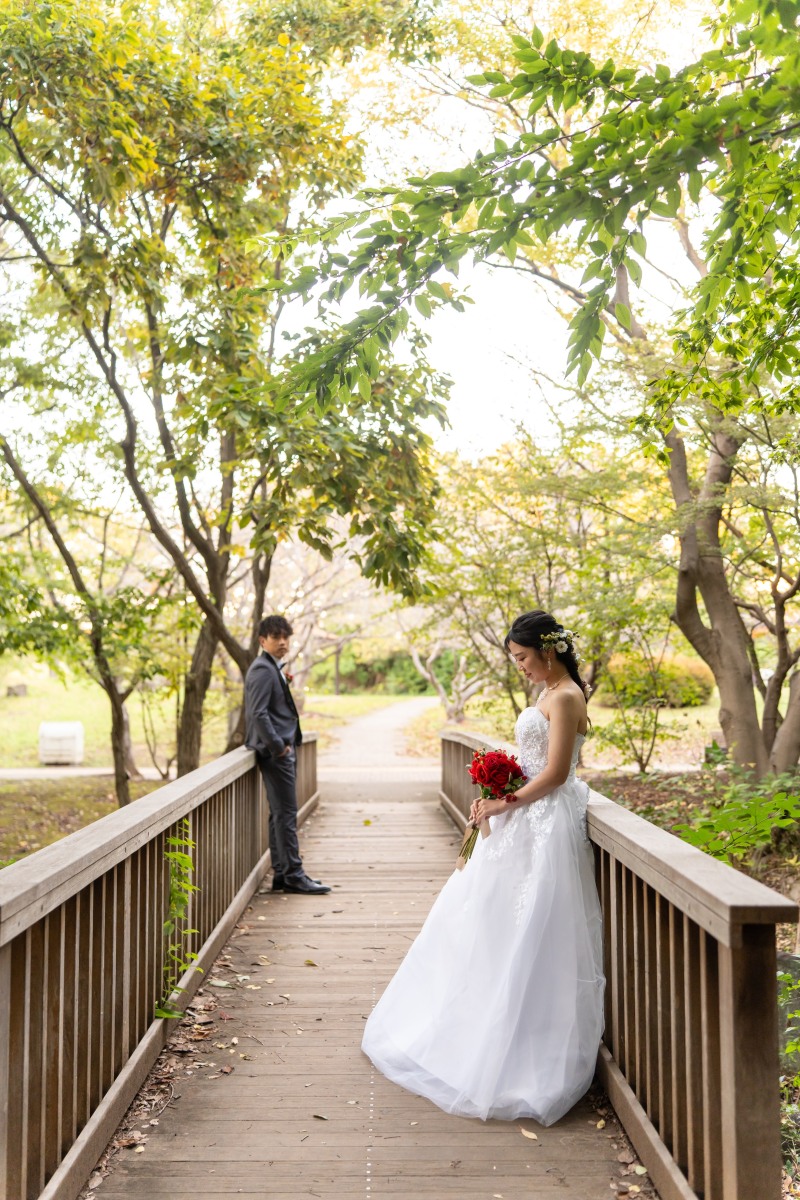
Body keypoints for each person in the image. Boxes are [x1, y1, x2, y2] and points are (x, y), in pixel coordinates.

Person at [361, 609, 604, 1124]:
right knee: (488, 924)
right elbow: (536, 761)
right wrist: (498, 790)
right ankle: (476, 1028)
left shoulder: (565, 696)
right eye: (514, 659)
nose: (519, 667)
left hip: (545, 823)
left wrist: (503, 802)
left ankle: (524, 1046)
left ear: (549, 650)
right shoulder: (547, 692)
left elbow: (558, 774)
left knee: (535, 927)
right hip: (522, 816)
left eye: (522, 657)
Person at [245, 614, 331, 896]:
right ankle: (294, 874)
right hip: (276, 753)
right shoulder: (262, 669)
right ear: (262, 640)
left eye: (286, 637)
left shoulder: (272, 667)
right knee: (286, 813)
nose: (282, 642)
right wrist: (278, 746)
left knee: (280, 814)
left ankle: (282, 872)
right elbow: (258, 713)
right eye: (276, 637)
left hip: (279, 750)